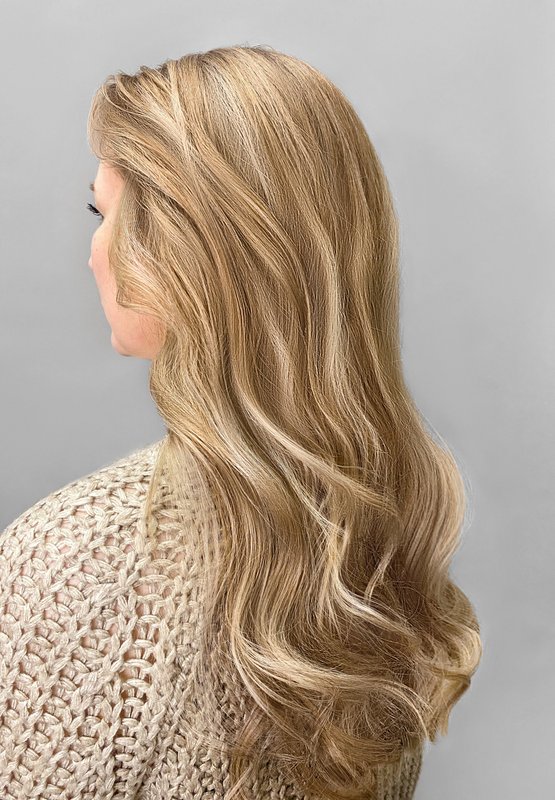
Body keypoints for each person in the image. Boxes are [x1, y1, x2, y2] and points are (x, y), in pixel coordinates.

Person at [0, 44, 482, 800]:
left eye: (106, 213)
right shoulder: (379, 551)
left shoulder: (77, 564)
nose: (93, 251)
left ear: (188, 254)